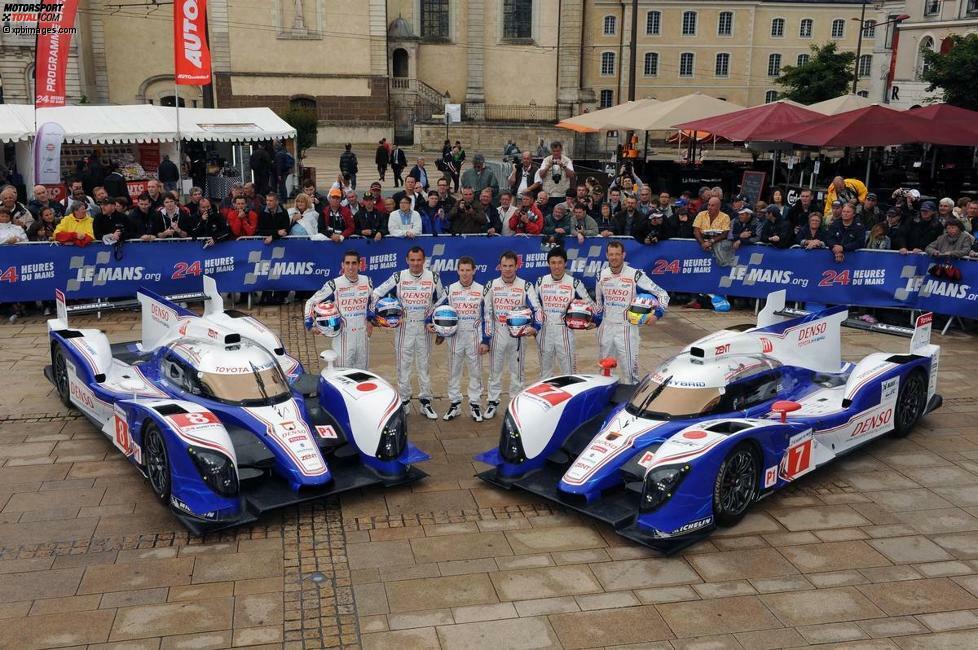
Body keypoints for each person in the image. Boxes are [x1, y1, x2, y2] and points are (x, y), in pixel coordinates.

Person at [372, 247, 445, 417]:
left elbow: (442, 300)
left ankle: (425, 401)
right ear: (407, 260)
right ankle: (404, 401)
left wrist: (440, 329)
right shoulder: (399, 276)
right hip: (404, 327)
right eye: (412, 260)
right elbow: (376, 293)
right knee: (403, 366)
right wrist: (375, 315)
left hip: (424, 328)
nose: (416, 263)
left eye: (419, 260)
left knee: (424, 365)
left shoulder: (433, 277)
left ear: (424, 260)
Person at [595, 241, 669, 385]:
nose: (614, 257)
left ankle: (629, 404)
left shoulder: (635, 275)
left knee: (630, 373)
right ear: (606, 256)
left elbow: (663, 294)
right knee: (604, 370)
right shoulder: (600, 275)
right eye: (611, 254)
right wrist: (594, 320)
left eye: (617, 254)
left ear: (624, 255)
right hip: (606, 328)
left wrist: (657, 314)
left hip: (627, 328)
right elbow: (599, 305)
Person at [480, 251, 542, 419]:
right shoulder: (491, 285)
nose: (507, 270)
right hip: (497, 332)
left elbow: (537, 309)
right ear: (500, 267)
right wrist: (485, 339)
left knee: (518, 372)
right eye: (504, 266)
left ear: (517, 266)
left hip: (518, 334)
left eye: (511, 266)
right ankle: (493, 402)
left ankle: (516, 405)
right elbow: (486, 312)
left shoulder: (526, 286)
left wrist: (535, 327)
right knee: (495, 370)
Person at [305, 250, 375, 369]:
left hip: (362, 336)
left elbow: (372, 301)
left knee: (362, 375)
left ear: (359, 265)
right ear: (342, 265)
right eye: (347, 263)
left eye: (354, 263)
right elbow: (310, 302)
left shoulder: (367, 281)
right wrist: (309, 324)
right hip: (343, 336)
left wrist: (370, 320)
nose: (350, 267)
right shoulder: (334, 284)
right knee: (343, 374)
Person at [436, 256, 485, 422]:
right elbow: (435, 308)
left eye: (468, 270)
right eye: (462, 270)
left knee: (476, 372)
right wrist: (432, 324)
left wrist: (486, 339)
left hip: (474, 336)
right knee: (453, 371)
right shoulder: (450, 289)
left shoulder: (482, 290)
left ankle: (475, 404)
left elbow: (488, 315)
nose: (465, 273)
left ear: (474, 271)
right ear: (458, 271)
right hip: (455, 336)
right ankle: (455, 404)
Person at [535, 247, 595, 377]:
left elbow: (589, 304)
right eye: (553, 263)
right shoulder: (540, 282)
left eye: (560, 262)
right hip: (544, 331)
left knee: (569, 372)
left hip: (565, 331)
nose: (556, 266)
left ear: (565, 263)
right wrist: (534, 327)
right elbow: (534, 307)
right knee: (545, 372)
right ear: (548, 264)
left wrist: (593, 321)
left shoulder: (574, 283)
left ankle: (570, 396)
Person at [538, 141, 575, 206]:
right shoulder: (546, 160)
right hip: (548, 194)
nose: (556, 153)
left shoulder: (567, 160)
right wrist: (548, 166)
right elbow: (541, 175)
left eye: (557, 151)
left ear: (561, 150)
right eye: (554, 151)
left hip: (562, 194)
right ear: (551, 151)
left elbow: (571, 175)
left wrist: (563, 166)